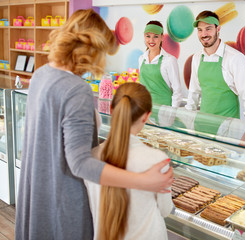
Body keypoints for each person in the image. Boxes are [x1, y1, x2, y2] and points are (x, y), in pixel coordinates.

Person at [15, 9, 173, 240]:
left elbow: (55, 139)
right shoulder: (76, 90)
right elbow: (79, 164)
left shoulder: (41, 74)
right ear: (90, 48)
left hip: (38, 194)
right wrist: (143, 181)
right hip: (64, 203)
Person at [85, 83, 173, 240]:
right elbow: (166, 210)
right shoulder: (158, 160)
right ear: (146, 116)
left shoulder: (90, 159)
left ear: (111, 110)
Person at [185, 11, 245, 122]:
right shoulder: (196, 57)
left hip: (228, 128)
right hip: (203, 125)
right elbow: (194, 92)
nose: (204, 34)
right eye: (200, 30)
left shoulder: (235, 58)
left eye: (208, 28)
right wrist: (186, 118)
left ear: (218, 29)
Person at [139, 20, 182, 107]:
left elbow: (177, 91)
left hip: (164, 109)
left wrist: (172, 112)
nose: (151, 40)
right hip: (145, 107)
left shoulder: (169, 60)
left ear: (162, 37)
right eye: (148, 36)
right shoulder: (141, 59)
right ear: (144, 37)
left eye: (155, 36)